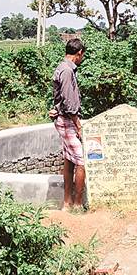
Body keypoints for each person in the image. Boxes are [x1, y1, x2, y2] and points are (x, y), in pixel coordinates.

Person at [49, 38, 86, 210]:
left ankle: (67, 202)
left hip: (63, 118)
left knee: (69, 160)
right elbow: (69, 102)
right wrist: (78, 125)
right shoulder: (67, 71)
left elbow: (59, 97)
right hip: (67, 120)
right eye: (82, 55)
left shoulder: (62, 67)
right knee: (81, 161)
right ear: (79, 53)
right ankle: (77, 204)